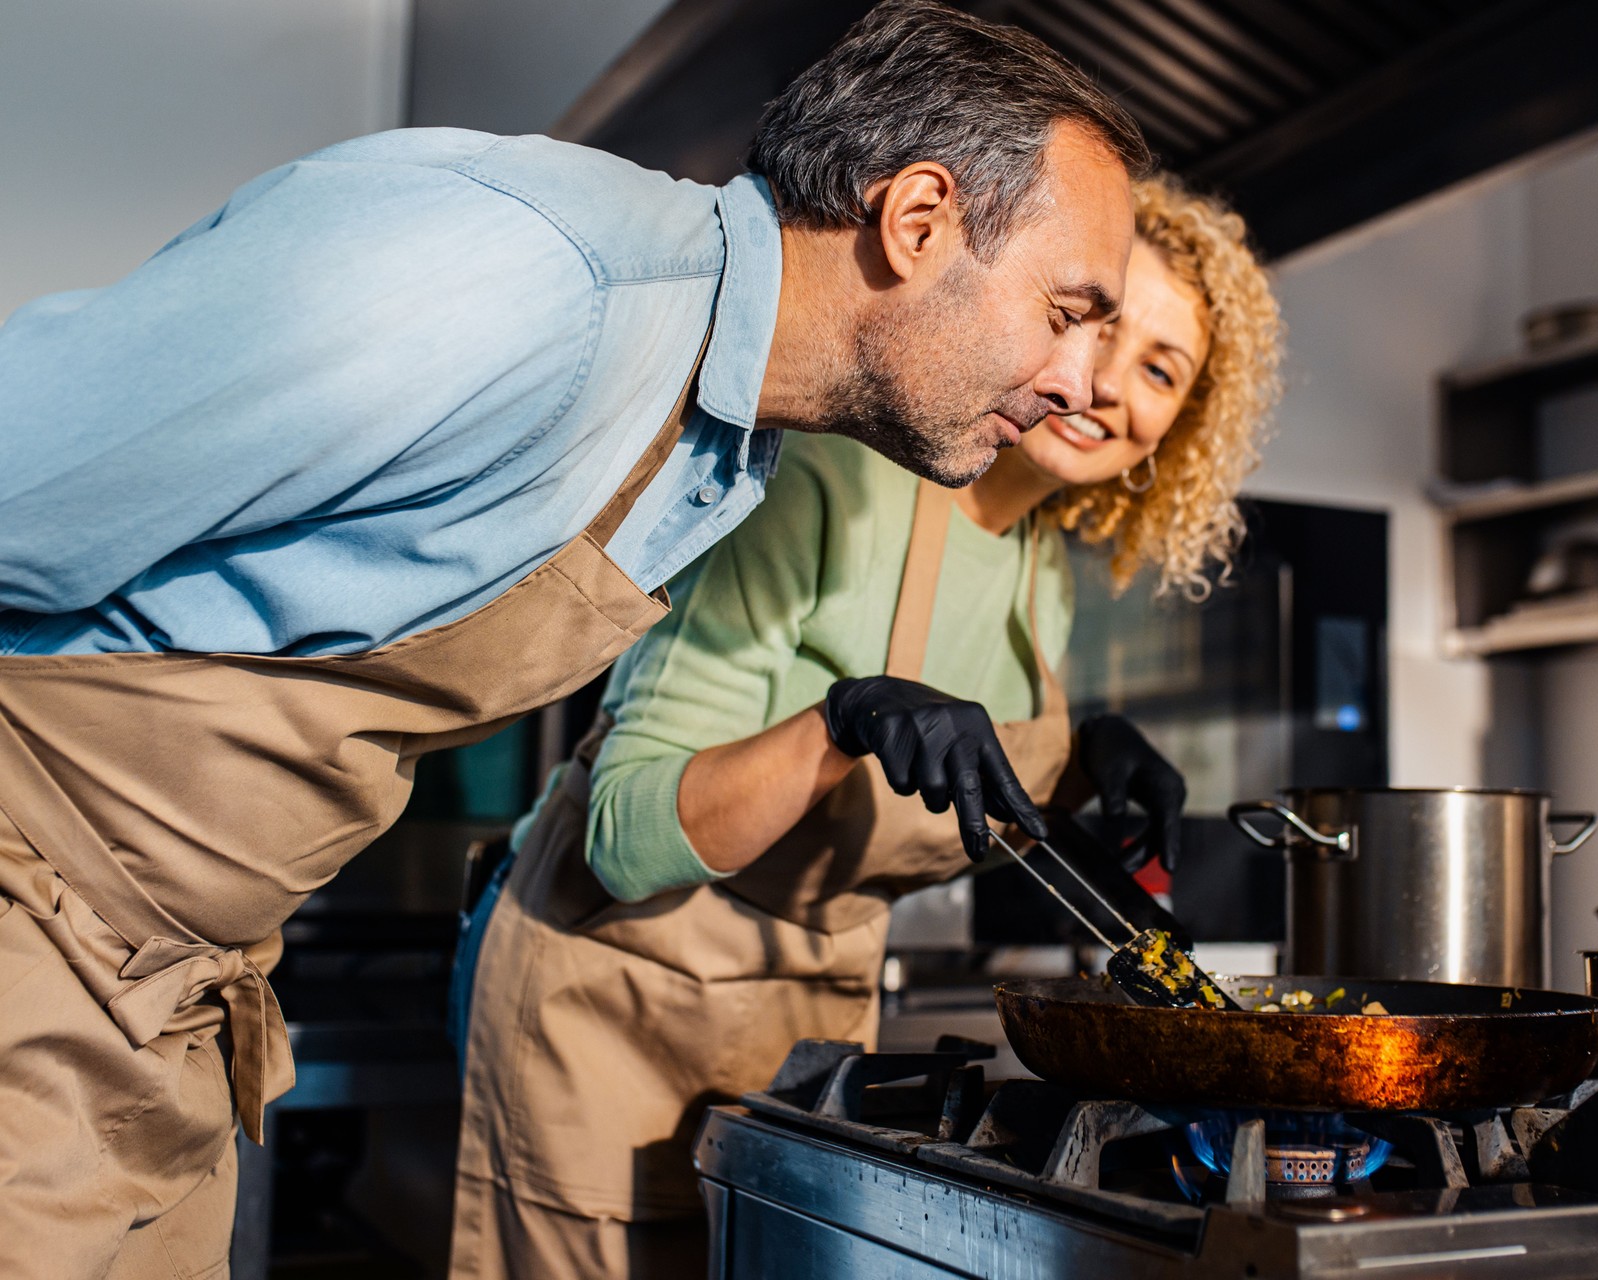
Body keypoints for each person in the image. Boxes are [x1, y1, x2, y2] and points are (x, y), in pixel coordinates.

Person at [0, 3, 1152, 1273]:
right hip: (34, 937)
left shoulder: (721, 445)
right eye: (1066, 308)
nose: (1080, 384)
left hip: (173, 1002)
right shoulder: (530, 281)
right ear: (917, 218)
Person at [450, 173, 1283, 1276]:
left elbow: (950, 750)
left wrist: (1085, 763)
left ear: (1180, 428)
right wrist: (843, 719)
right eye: (1103, 325)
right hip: (613, 1002)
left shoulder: (1044, 571)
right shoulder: (829, 480)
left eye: (1163, 370)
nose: (1107, 385)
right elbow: (624, 835)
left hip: (798, 1019)